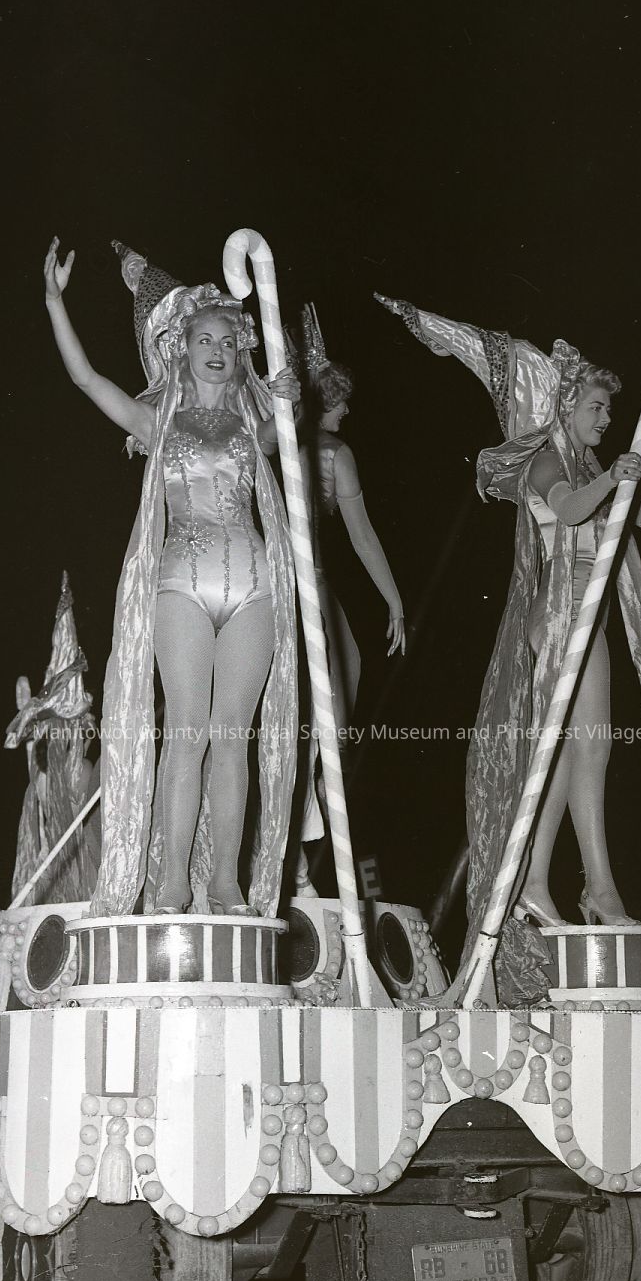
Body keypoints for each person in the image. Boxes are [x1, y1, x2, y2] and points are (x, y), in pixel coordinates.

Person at [376, 292, 641, 999]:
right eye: (597, 406)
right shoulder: (544, 462)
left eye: (609, 409)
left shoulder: (591, 468)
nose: (607, 418)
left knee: (579, 751)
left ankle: (555, 882)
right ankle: (584, 885)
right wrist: (613, 479)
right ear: (564, 407)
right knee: (578, 749)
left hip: (589, 616)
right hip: (560, 614)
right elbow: (564, 512)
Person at [43, 238, 299, 917]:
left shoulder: (256, 422)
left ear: (240, 352)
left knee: (232, 738)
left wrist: (291, 396)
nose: (217, 350)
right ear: (181, 349)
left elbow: (289, 430)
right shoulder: (155, 422)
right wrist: (54, 302)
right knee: (187, 731)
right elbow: (86, 381)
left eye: (228, 341)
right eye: (204, 339)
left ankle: (225, 883)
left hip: (256, 587)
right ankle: (173, 884)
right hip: (181, 583)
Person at [286, 304, 405, 894]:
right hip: (292, 581)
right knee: (329, 698)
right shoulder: (332, 452)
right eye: (341, 400)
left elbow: (361, 538)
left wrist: (393, 600)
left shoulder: (304, 445)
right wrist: (394, 602)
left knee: (337, 685)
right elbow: (363, 536)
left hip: (286, 579)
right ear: (324, 398)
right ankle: (298, 832)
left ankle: (303, 821)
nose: (348, 410)